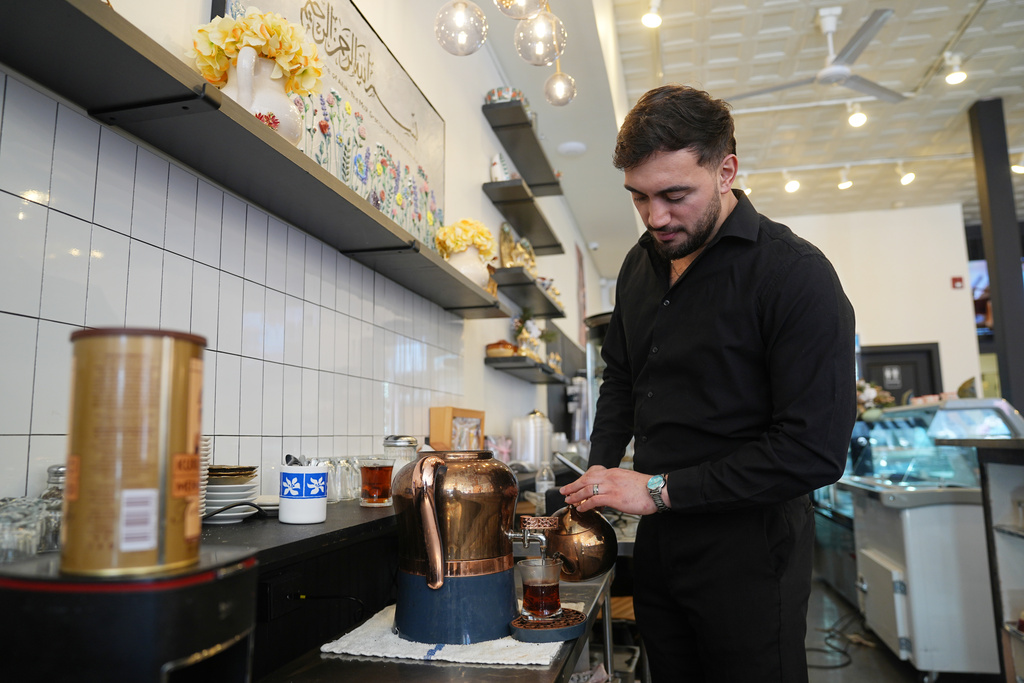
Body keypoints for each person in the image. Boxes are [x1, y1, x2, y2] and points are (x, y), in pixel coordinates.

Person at [559, 84, 857, 683]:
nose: (655, 218)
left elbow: (813, 451)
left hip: (751, 550)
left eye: (675, 195)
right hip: (662, 545)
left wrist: (658, 491)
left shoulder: (794, 275)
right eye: (639, 198)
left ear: (726, 171)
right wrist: (600, 471)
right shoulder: (640, 266)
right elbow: (620, 378)